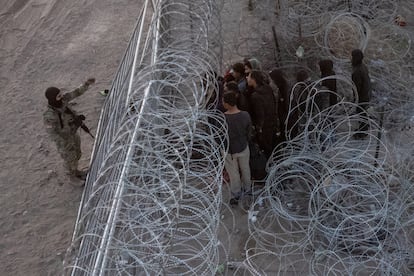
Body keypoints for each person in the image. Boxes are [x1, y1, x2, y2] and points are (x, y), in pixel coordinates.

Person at [43, 78, 96, 180]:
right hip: (64, 141)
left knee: (77, 154)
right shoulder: (50, 116)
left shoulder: (63, 100)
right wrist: (64, 143)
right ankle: (72, 177)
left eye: (61, 94)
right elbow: (52, 134)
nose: (61, 96)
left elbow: (75, 93)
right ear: (53, 99)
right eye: (58, 96)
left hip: (72, 133)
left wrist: (86, 84)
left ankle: (75, 171)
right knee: (69, 159)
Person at [222, 91, 253, 206]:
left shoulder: (223, 118)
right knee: (245, 169)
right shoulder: (245, 115)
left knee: (233, 173)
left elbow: (221, 136)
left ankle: (236, 193)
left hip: (229, 150)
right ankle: (248, 190)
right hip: (243, 147)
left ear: (226, 104)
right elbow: (249, 132)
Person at [246, 70, 278, 158]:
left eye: (248, 76)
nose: (247, 78)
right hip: (272, 124)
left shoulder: (255, 96)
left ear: (253, 79)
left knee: (265, 152)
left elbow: (260, 114)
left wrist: (258, 129)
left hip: (264, 128)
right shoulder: (268, 89)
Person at [351, 49, 372, 139]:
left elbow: (357, 87)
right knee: (363, 112)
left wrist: (355, 99)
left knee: (361, 113)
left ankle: (363, 132)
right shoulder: (363, 66)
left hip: (362, 96)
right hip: (366, 93)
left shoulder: (357, 71)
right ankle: (364, 128)